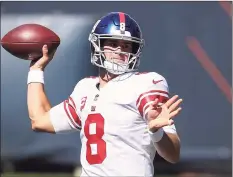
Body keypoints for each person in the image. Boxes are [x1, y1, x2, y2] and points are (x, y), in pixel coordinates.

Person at [27, 12, 182, 176]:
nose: (119, 50)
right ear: (97, 45)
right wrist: (36, 70)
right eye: (113, 43)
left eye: (126, 45)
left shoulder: (146, 84)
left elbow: (173, 155)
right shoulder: (85, 88)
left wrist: (156, 132)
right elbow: (39, 120)